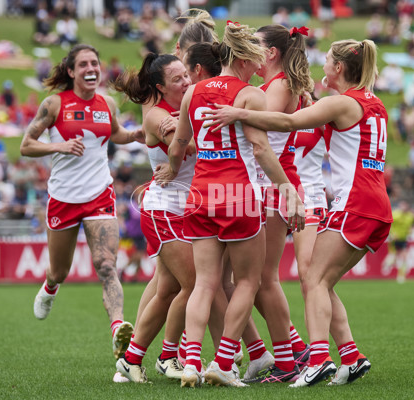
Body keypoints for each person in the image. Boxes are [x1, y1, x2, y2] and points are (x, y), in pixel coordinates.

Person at [202, 38, 391, 388]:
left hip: (356, 203)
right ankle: (350, 356)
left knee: (314, 279)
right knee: (322, 280)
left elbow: (287, 124)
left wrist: (239, 112)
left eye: (328, 62)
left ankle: (317, 359)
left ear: (339, 68)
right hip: (375, 204)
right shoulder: (373, 103)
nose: (322, 67)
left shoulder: (341, 103)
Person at [155, 21, 305, 388]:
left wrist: (172, 171)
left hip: (201, 194)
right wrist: (287, 188)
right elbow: (260, 149)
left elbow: (178, 144)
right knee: (248, 282)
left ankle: (190, 362)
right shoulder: (249, 95)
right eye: (256, 58)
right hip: (238, 195)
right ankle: (223, 362)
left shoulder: (194, 91)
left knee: (204, 283)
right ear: (246, 57)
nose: (260, 66)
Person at [20, 44, 143, 373]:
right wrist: (59, 144)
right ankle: (50, 286)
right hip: (63, 198)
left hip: (100, 195)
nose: (92, 68)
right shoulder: (54, 104)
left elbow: (114, 134)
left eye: (95, 63)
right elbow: (26, 144)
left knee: (106, 264)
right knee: (60, 270)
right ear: (72, 72)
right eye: (84, 64)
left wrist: (136, 135)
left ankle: (118, 328)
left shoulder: (108, 103)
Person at [112, 53, 195, 383]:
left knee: (168, 289)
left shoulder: (185, 109)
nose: (187, 81)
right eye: (178, 79)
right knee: (193, 284)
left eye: (187, 74)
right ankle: (169, 356)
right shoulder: (157, 115)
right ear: (160, 88)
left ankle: (131, 360)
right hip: (165, 210)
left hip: (184, 209)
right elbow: (187, 148)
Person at [242, 23, 313, 384]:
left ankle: (289, 361)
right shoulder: (272, 84)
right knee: (249, 280)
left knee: (262, 279)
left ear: (270, 53)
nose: (249, 51)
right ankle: (295, 350)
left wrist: (229, 109)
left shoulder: (280, 84)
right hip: (268, 185)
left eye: (255, 45)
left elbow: (259, 125)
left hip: (275, 185)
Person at [382, 200, 414, 283]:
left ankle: (401, 276)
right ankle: (386, 264)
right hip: (394, 239)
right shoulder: (395, 214)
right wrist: (392, 234)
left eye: (405, 206)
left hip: (404, 239)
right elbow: (388, 224)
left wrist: (411, 230)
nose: (403, 207)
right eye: (402, 206)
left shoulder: (410, 216)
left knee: (404, 257)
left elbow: (411, 225)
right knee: (393, 257)